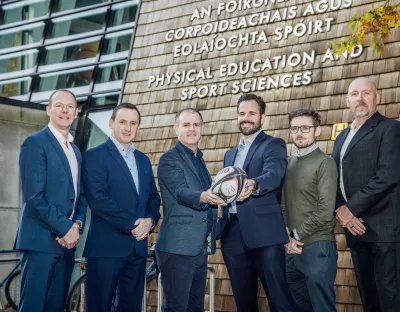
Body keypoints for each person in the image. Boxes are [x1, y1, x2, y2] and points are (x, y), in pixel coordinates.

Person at [217, 93, 295, 312]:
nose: (246, 118)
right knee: (244, 302)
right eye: (242, 114)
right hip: (232, 234)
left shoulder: (273, 145)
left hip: (266, 233)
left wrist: (254, 183)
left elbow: (274, 174)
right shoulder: (229, 154)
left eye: (252, 113)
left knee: (279, 298)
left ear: (262, 117)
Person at [82, 103, 160, 312]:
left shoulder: (143, 160)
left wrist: (149, 221)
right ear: (111, 123)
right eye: (123, 122)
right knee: (99, 307)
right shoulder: (94, 156)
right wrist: (134, 224)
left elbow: (153, 197)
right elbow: (99, 200)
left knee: (131, 307)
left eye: (133, 123)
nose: (128, 127)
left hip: (137, 250)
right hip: (106, 248)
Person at [332, 77, 400, 312]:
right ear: (347, 100)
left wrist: (351, 209)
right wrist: (342, 213)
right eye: (354, 94)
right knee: (368, 298)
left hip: (383, 230)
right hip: (354, 228)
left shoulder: (391, 129)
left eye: (366, 93)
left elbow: (388, 175)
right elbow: (336, 180)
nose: (360, 98)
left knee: (390, 298)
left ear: (378, 98)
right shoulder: (341, 137)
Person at [16, 89, 87, 312]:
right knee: (33, 307)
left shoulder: (75, 151)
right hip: (41, 242)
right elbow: (34, 196)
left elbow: (81, 195)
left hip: (67, 245)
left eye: (70, 107)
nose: (64, 111)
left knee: (55, 307)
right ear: (48, 110)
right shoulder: (35, 143)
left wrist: (76, 225)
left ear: (76, 113)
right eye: (59, 105)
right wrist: (65, 227)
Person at [155, 108, 225, 312]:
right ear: (176, 128)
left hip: (198, 247)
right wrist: (204, 196)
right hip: (177, 247)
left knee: (195, 309)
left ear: (202, 128)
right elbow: (180, 192)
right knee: (176, 308)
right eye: (186, 125)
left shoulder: (198, 158)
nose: (192, 129)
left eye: (196, 125)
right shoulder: (170, 158)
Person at [281, 108, 338, 312]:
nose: (299, 132)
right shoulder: (288, 163)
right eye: (295, 128)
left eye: (305, 128)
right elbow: (284, 205)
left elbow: (325, 211)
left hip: (317, 247)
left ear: (317, 131)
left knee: (322, 307)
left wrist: (295, 235)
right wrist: (286, 237)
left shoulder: (325, 163)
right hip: (291, 249)